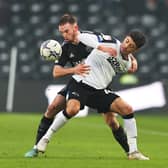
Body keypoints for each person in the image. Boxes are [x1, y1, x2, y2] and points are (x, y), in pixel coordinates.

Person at [24, 14, 136, 159]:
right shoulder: (64, 48)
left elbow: (118, 45)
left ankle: (130, 152)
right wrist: (73, 70)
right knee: (53, 107)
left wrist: (132, 59)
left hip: (101, 84)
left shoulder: (90, 39)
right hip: (79, 82)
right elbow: (56, 72)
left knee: (111, 122)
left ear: (75, 28)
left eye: (66, 31)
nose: (64, 35)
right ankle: (36, 147)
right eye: (61, 32)